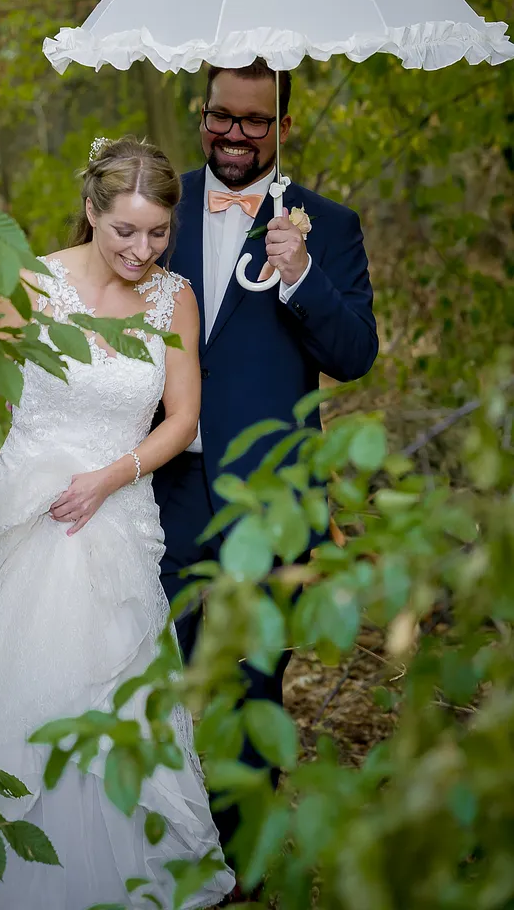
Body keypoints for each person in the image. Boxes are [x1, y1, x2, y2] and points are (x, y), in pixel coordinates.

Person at [0, 136, 234, 910]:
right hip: (32, 515)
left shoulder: (175, 299)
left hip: (116, 509)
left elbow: (183, 418)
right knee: (25, 682)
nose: (142, 248)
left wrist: (109, 476)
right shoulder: (31, 283)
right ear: (91, 212)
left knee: (111, 682)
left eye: (158, 231)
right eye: (125, 229)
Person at [153, 60, 378, 854]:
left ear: (284, 127)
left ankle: (239, 857)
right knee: (154, 669)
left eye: (254, 120)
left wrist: (301, 275)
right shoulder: (159, 207)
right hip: (163, 482)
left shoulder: (330, 224)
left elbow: (355, 356)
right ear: (202, 112)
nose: (235, 135)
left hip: (271, 499)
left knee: (255, 679)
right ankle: (153, 848)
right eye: (221, 115)